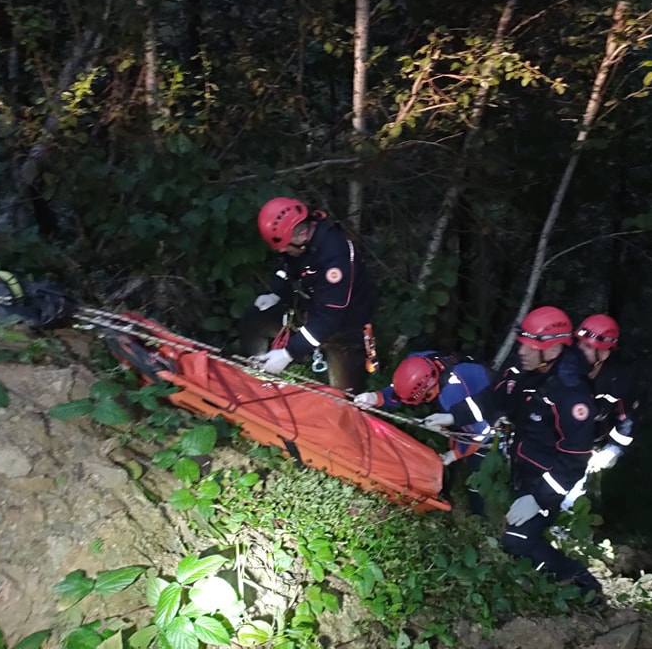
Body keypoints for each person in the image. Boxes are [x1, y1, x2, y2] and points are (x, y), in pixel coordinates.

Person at [423, 306, 604, 601]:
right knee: (495, 516)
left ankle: (579, 583)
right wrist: (453, 416)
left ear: (555, 349)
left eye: (533, 347)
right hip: (521, 462)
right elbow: (493, 397)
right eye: (522, 343)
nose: (523, 351)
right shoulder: (525, 367)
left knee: (517, 540)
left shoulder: (572, 394)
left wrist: (540, 497)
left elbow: (574, 458)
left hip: (548, 476)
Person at [241, 197, 375, 393]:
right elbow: (286, 267)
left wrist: (288, 353)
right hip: (309, 312)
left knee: (346, 399)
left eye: (286, 247)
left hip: (344, 328)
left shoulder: (335, 257)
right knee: (254, 320)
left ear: (302, 233)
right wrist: (276, 293)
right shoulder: (299, 244)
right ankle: (255, 373)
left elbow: (329, 320)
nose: (283, 251)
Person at [352, 352, 495, 515]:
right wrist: (376, 398)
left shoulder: (452, 397)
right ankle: (446, 487)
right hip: (468, 385)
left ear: (428, 392)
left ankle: (480, 514)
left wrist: (455, 454)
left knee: (478, 468)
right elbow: (400, 391)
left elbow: (480, 434)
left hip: (490, 411)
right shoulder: (417, 363)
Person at [560, 313, 638, 509]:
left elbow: (626, 421)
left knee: (570, 496)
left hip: (587, 448)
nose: (580, 351)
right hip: (552, 440)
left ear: (604, 354)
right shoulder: (562, 369)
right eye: (579, 344)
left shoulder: (617, 383)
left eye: (587, 347)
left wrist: (613, 450)